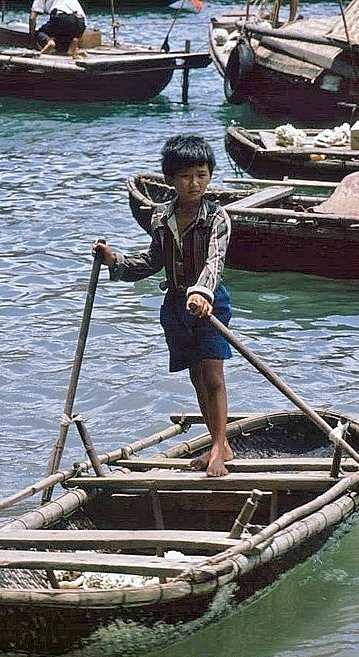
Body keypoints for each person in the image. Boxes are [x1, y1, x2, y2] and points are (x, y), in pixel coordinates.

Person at [93, 134, 234, 478]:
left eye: (202, 174)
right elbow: (152, 262)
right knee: (197, 375)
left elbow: (214, 264)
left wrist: (202, 293)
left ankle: (219, 447)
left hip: (208, 304)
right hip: (175, 304)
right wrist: (115, 260)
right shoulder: (160, 217)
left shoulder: (217, 218)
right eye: (186, 176)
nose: (195, 183)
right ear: (170, 179)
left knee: (213, 374)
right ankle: (219, 442)